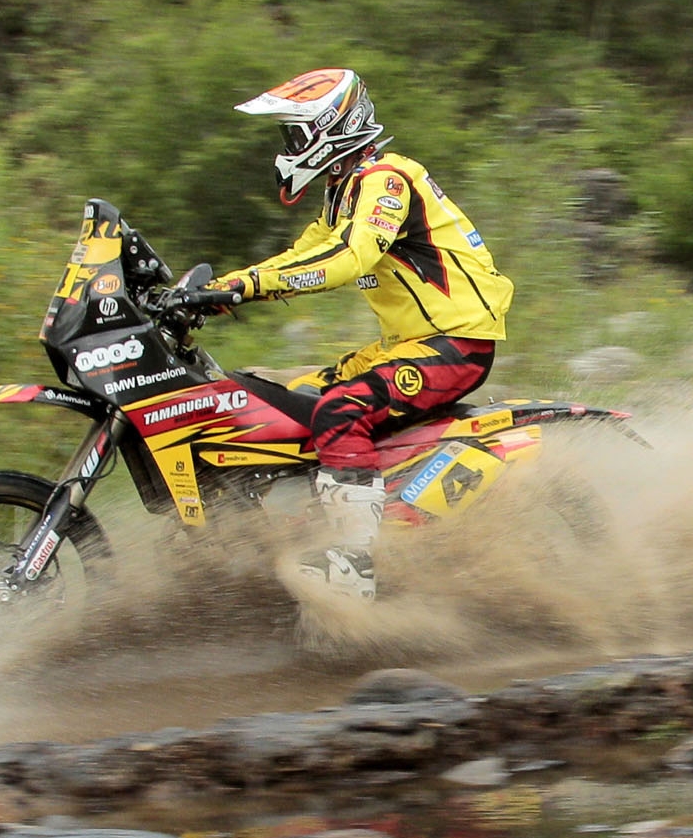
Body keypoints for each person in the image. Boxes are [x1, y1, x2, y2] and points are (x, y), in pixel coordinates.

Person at [220, 68, 513, 600]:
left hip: (456, 343)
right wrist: (211, 291)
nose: (287, 147)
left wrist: (246, 286)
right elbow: (302, 254)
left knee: (340, 410)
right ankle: (294, 528)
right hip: (410, 344)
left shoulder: (385, 181)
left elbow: (349, 257)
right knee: (287, 403)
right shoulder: (344, 189)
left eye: (294, 134)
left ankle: (355, 560)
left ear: (329, 127)